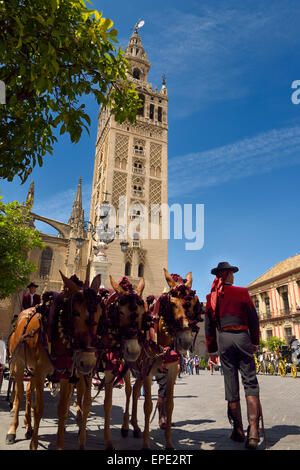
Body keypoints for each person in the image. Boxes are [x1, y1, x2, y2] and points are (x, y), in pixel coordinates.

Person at [205, 261, 264, 450]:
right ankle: (253, 432)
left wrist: (212, 350)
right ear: (229, 274)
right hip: (242, 337)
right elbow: (254, 320)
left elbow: (208, 327)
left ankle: (238, 430)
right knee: (250, 381)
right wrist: (255, 342)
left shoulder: (211, 297)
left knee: (231, 384)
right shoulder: (242, 292)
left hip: (224, 339)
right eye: (232, 273)